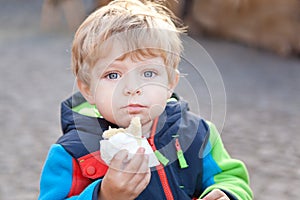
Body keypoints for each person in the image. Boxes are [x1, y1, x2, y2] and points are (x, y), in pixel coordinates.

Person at [38, 0, 253, 199]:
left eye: (148, 73)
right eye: (113, 75)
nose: (132, 88)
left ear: (170, 82)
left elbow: (231, 178)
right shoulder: (71, 154)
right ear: (87, 89)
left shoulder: (198, 134)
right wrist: (104, 195)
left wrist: (226, 193)